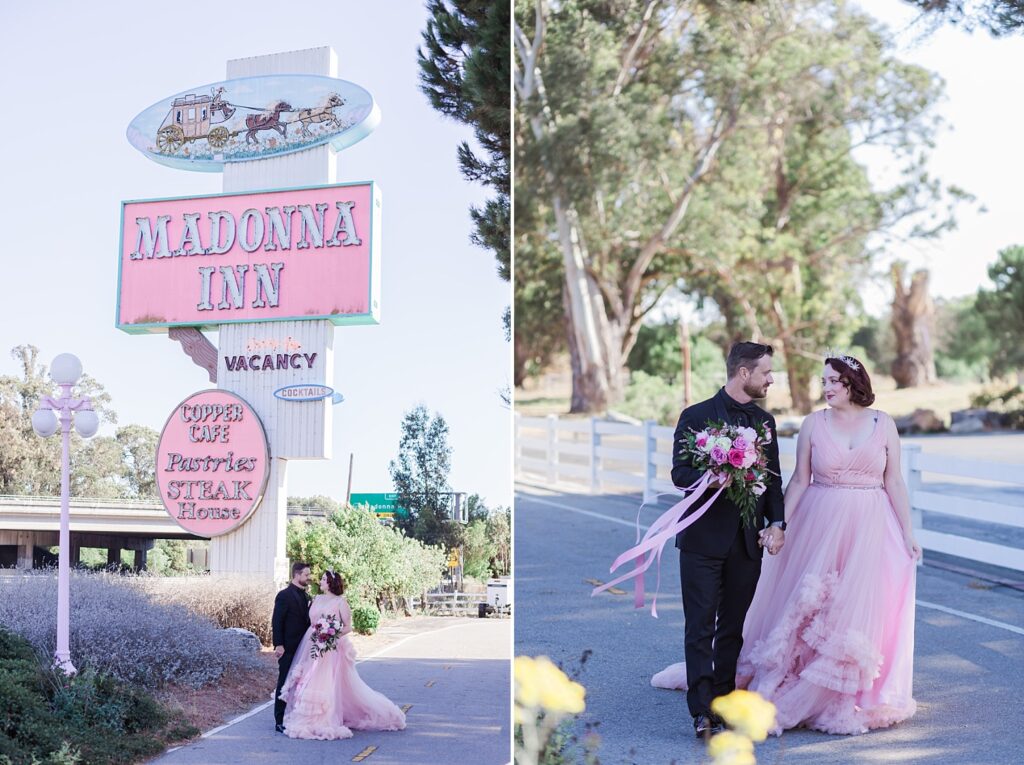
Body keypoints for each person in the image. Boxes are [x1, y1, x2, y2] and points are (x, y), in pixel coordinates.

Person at [654, 352, 921, 735]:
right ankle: (708, 706)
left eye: (833, 381)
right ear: (744, 372)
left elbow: (894, 480)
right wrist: (780, 524)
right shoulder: (813, 424)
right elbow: (797, 480)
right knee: (808, 605)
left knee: (853, 607)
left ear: (853, 384)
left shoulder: (883, 424)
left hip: (869, 526)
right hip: (820, 521)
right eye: (824, 381)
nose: (826, 387)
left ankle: (846, 690)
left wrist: (908, 532)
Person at [668, 342, 786, 738]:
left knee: (732, 628)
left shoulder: (764, 423)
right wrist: (710, 477)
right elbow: (679, 474)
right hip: (702, 541)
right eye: (766, 372)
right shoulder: (696, 416)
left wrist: (778, 523)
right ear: (743, 373)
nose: (771, 379)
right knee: (699, 627)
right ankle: (701, 712)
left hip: (746, 544)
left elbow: (772, 481)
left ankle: (723, 702)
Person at [278, 570, 406, 740]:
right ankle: (304, 713)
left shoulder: (340, 602)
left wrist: (330, 635)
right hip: (311, 642)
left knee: (325, 679)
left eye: (324, 579)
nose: (320, 581)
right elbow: (311, 621)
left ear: (331, 583)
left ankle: (325, 715)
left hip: (330, 646)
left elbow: (348, 626)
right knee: (307, 677)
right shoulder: (316, 599)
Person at [272, 561, 312, 733]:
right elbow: (277, 621)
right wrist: (279, 644)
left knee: (302, 683)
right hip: (288, 646)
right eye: (306, 575)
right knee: (284, 682)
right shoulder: (284, 595)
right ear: (296, 575)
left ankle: (295, 716)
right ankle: (279, 720)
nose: (309, 578)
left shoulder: (307, 596)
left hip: (305, 647)